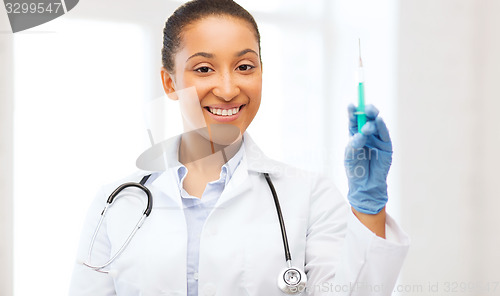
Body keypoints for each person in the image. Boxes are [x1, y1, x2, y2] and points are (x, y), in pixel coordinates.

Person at [69, 0, 409, 295]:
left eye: (245, 66)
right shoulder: (117, 203)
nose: (229, 89)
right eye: (204, 69)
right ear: (170, 83)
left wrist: (369, 205)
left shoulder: (310, 196)